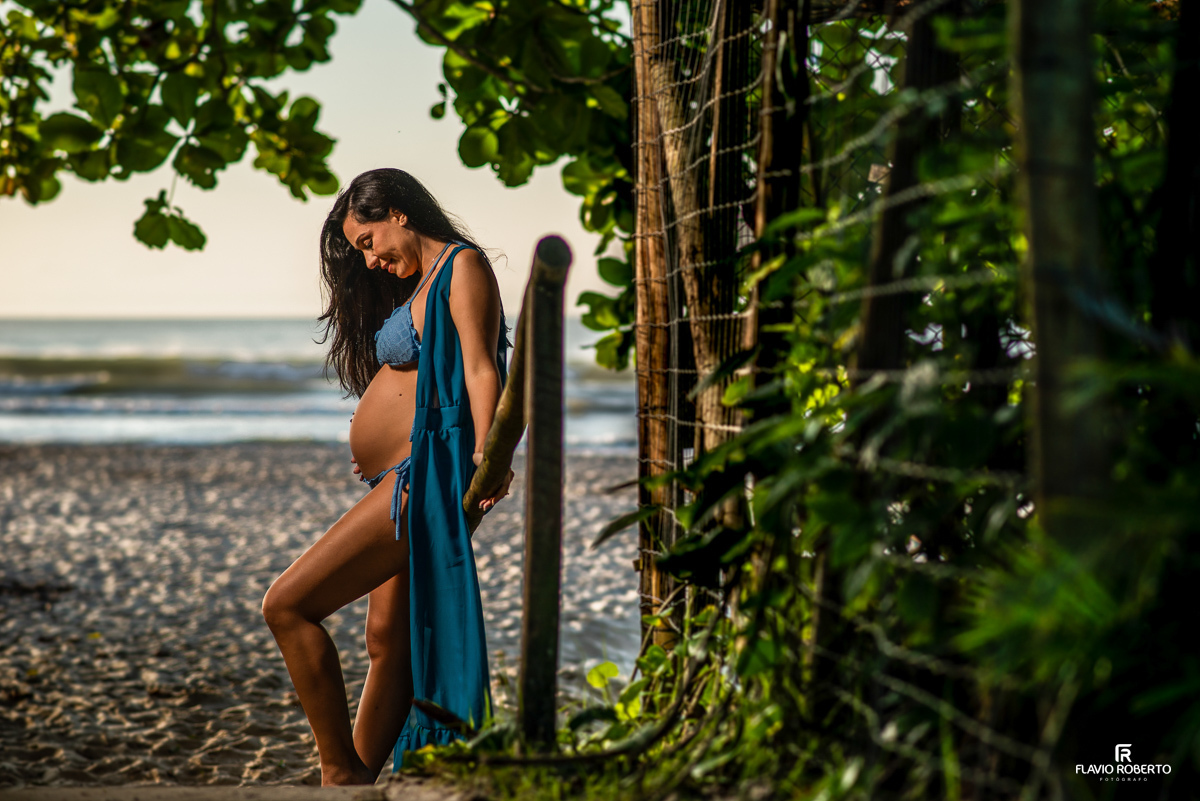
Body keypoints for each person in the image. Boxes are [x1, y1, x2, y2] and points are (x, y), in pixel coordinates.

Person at [261, 168, 514, 786]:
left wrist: (492, 457)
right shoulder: (421, 282)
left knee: (287, 605)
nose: (368, 260)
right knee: (387, 640)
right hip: (398, 476)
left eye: (368, 241)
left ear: (398, 212)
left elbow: (482, 369)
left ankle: (337, 770)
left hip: (424, 479)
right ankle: (361, 781)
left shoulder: (463, 267)